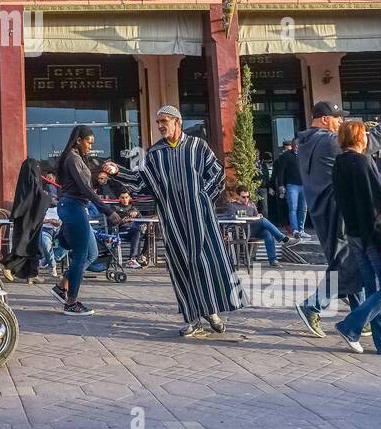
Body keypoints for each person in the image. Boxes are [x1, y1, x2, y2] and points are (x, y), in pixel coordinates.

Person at [105, 105, 244, 337]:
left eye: (164, 121)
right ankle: (192, 318)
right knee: (182, 266)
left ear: (177, 121)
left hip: (201, 219)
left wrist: (202, 198)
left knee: (206, 263)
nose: (160, 126)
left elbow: (217, 174)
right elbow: (142, 183)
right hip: (172, 220)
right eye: (158, 122)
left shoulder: (198, 147)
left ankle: (212, 312)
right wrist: (117, 171)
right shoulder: (155, 153)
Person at [294, 102, 381, 338]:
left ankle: (361, 315)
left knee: (351, 262)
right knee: (348, 262)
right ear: (325, 119)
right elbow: (363, 142)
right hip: (337, 211)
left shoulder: (307, 141)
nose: (340, 123)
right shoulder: (327, 141)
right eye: (337, 118)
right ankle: (313, 304)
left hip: (323, 209)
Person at [329, 121, 381, 356]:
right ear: (358, 137)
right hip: (372, 232)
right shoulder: (361, 161)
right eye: (364, 133)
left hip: (354, 231)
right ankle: (350, 326)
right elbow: (376, 201)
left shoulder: (339, 162)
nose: (367, 136)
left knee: (372, 288)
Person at [53, 126, 121, 316]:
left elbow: (85, 187)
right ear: (78, 140)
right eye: (89, 142)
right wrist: (107, 210)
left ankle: (61, 287)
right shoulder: (73, 158)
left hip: (76, 207)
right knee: (81, 255)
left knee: (91, 253)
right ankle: (71, 303)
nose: (90, 146)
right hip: (73, 207)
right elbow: (85, 189)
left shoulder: (78, 158)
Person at [2, 158, 52, 283]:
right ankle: (7, 265)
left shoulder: (24, 187)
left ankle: (32, 274)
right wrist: (49, 198)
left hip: (30, 220)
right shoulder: (32, 186)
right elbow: (40, 198)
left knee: (32, 246)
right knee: (26, 247)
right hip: (30, 222)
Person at [224, 188, 293, 267]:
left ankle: (273, 260)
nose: (246, 199)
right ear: (238, 196)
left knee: (267, 233)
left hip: (253, 229)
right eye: (243, 197)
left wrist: (258, 216)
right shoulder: (232, 205)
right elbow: (232, 218)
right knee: (263, 220)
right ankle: (282, 237)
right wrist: (247, 217)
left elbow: (256, 217)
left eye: (248, 196)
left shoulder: (251, 204)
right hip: (241, 230)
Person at [271, 140, 306, 238]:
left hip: (304, 185)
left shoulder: (304, 156)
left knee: (303, 208)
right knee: (293, 208)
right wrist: (281, 185)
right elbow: (281, 171)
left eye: (299, 146)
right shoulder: (286, 156)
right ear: (293, 146)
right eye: (296, 146)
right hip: (292, 185)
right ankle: (295, 230)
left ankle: (301, 229)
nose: (298, 147)